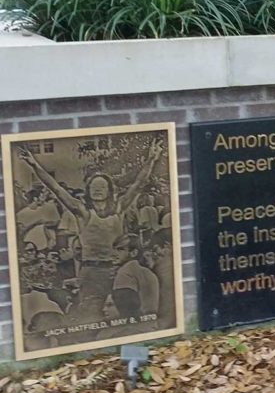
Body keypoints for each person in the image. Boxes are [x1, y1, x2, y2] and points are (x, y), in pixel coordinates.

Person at [17, 139, 165, 327]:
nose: (97, 191)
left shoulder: (118, 209)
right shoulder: (83, 212)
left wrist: (152, 159)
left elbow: (138, 184)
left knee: (121, 314)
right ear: (88, 190)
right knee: (92, 315)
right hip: (91, 272)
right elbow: (56, 189)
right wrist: (34, 164)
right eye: (94, 187)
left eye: (102, 187)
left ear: (109, 190)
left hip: (117, 270)